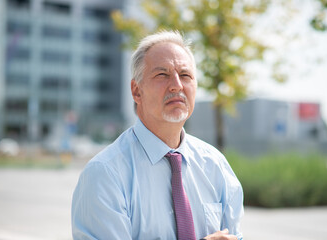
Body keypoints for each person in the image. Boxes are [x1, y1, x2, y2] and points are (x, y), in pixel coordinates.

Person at [71, 30, 244, 240]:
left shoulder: (216, 166)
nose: (177, 85)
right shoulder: (105, 175)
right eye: (162, 75)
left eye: (185, 75)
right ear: (136, 91)